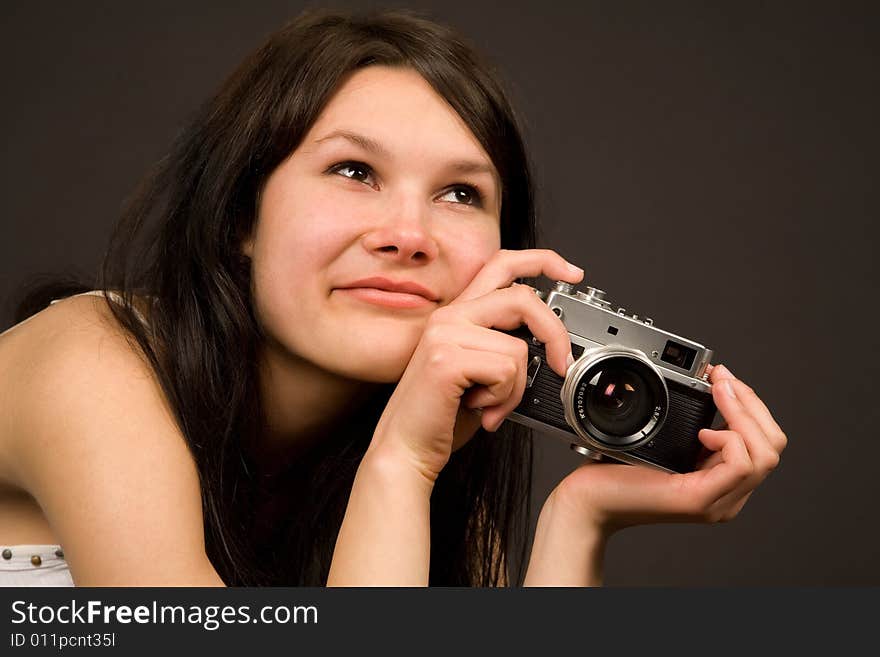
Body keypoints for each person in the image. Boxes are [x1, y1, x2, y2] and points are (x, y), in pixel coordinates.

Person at [0, 8, 786, 587]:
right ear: (241, 215)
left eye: (459, 194)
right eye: (353, 172)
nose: (409, 234)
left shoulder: (412, 450)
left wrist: (581, 517)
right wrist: (403, 462)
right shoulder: (92, 362)